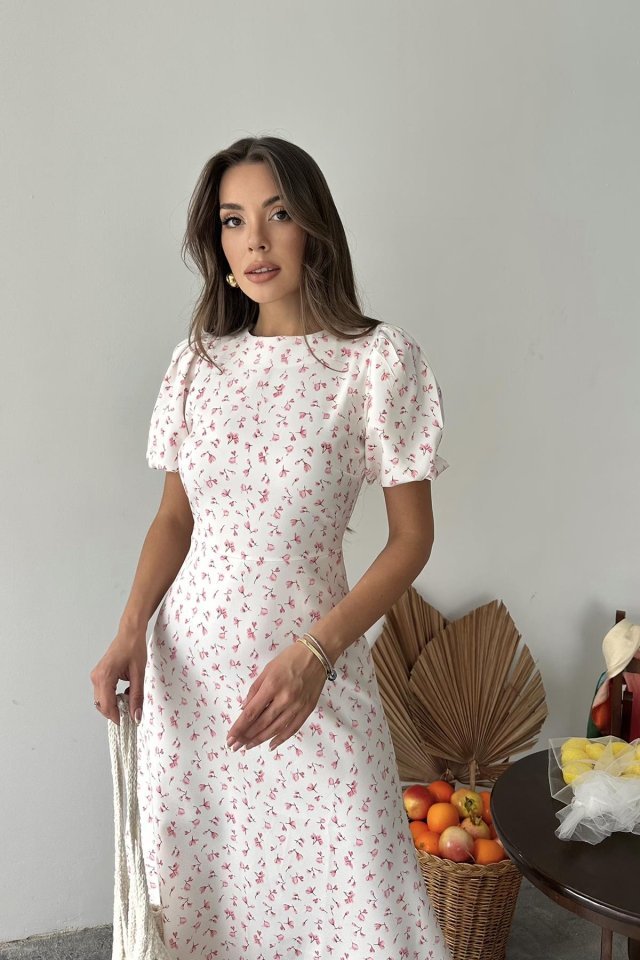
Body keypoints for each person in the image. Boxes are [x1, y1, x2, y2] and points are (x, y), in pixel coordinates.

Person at [90, 135, 451, 960]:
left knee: (360, 915)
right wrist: (128, 631)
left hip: (311, 682)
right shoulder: (198, 363)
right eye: (233, 221)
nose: (255, 240)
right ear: (216, 245)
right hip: (189, 690)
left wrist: (316, 656)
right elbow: (174, 521)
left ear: (314, 226)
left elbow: (412, 539)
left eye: (277, 214)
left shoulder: (376, 362)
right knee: (204, 914)